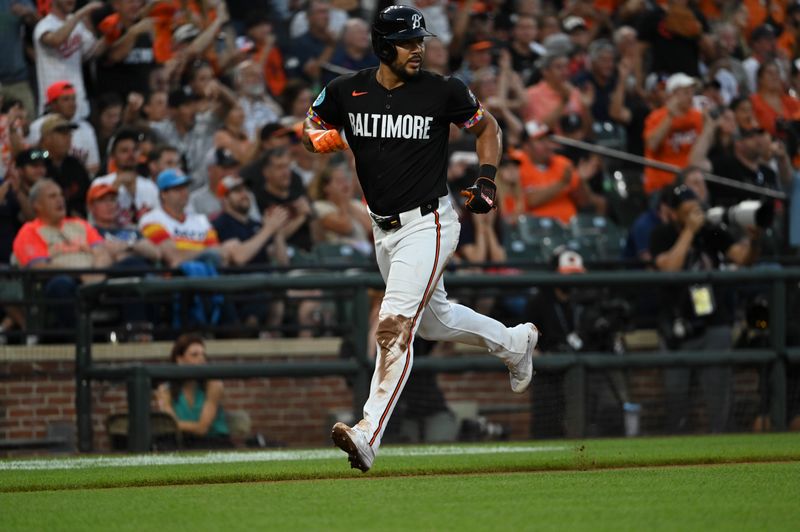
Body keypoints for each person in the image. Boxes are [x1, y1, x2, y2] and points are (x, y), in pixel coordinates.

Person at [302, 5, 538, 472]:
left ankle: (368, 432)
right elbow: (310, 125)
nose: (419, 49)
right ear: (384, 45)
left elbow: (488, 126)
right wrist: (318, 139)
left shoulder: (442, 89)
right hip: (383, 228)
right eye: (409, 42)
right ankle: (513, 343)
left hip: (429, 222)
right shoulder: (345, 89)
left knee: (394, 326)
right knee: (434, 322)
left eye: (420, 41)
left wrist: (487, 179)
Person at [651, 184, 760, 433]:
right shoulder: (662, 234)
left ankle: (722, 447)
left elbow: (744, 259)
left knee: (719, 394)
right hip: (677, 324)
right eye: (687, 211)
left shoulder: (712, 231)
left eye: (696, 210)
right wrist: (689, 232)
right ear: (673, 213)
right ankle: (675, 446)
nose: (694, 216)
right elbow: (669, 268)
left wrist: (754, 240)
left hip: (714, 322)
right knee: (676, 395)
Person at [12, 179, 112, 334]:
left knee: (133, 265)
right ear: (37, 205)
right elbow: (40, 268)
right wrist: (81, 275)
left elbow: (102, 251)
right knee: (61, 284)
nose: (60, 199)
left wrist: (96, 274)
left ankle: (141, 335)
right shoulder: (29, 231)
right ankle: (79, 339)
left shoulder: (79, 224)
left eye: (60, 195)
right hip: (60, 282)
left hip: (95, 277)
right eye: (52, 196)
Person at [155, 333, 233, 449]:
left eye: (203, 355)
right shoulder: (165, 389)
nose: (201, 359)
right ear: (180, 360)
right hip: (180, 442)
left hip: (213, 441)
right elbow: (169, 425)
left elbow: (202, 428)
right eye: (194, 355)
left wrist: (180, 425)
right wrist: (188, 426)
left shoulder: (214, 385)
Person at [33, 0, 106, 120]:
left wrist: (109, 36)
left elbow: (93, 51)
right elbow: (56, 40)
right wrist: (81, 14)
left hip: (78, 99)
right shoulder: (45, 24)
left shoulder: (77, 24)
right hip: (54, 102)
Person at [642, 72, 704, 195]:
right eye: (686, 92)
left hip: (690, 183)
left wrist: (710, 126)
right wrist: (670, 117)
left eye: (692, 92)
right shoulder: (656, 117)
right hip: (662, 186)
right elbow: (651, 145)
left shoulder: (697, 117)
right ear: (673, 95)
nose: (690, 96)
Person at [26, 81, 100, 175]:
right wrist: (49, 155)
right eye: (66, 99)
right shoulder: (38, 126)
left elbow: (94, 164)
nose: (72, 104)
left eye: (73, 99)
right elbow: (31, 156)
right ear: (53, 104)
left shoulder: (86, 128)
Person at [92, 128, 160, 228]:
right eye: (124, 151)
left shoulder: (150, 187)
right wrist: (114, 188)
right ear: (113, 155)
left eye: (135, 150)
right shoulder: (100, 183)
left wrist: (135, 194)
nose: (131, 155)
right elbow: (94, 220)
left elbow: (157, 222)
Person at [39, 114, 91, 218]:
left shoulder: (74, 164)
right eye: (62, 134)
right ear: (47, 138)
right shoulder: (38, 162)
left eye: (69, 134)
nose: (68, 139)